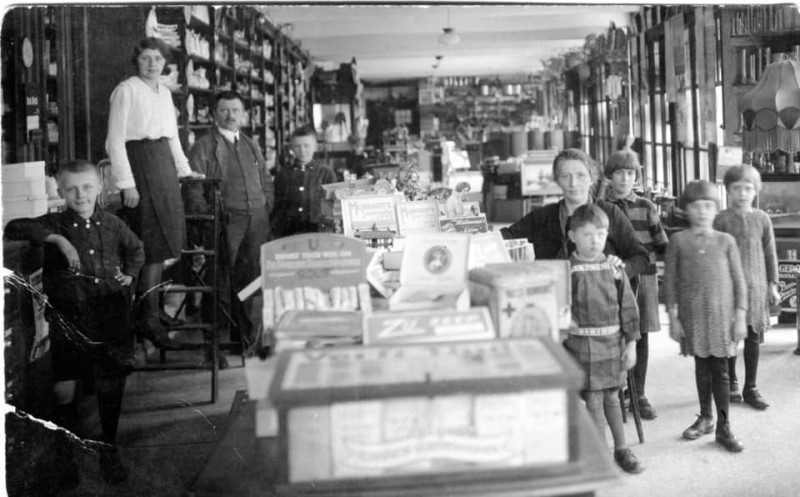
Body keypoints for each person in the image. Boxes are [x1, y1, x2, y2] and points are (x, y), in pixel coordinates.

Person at [5, 160, 145, 486]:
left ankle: (108, 451)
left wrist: (130, 275)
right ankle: (67, 456)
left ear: (99, 188)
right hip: (70, 315)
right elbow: (15, 226)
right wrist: (57, 240)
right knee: (65, 384)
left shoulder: (112, 223)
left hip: (108, 311)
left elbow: (136, 249)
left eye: (86, 188)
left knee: (110, 380)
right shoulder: (55, 222)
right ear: (60, 191)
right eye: (71, 189)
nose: (80, 195)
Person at [106, 37, 203, 348]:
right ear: (138, 60)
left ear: (165, 64)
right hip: (140, 164)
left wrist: (185, 171)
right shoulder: (127, 90)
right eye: (146, 58)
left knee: (164, 243)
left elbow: (173, 138)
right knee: (149, 244)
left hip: (162, 166)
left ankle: (157, 310)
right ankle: (146, 317)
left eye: (157, 59)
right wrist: (127, 183)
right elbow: (115, 142)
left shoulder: (164, 93)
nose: (152, 63)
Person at [187, 91, 275, 357]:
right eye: (224, 110)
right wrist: (208, 220)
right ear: (215, 114)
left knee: (249, 281)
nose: (230, 115)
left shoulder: (250, 143)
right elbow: (193, 188)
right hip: (225, 221)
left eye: (235, 110)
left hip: (255, 221)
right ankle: (212, 348)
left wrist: (265, 206)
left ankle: (243, 340)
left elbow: (265, 178)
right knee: (219, 282)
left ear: (243, 114)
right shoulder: (203, 146)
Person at [665, 180, 747, 453]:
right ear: (686, 209)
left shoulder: (726, 241)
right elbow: (671, 282)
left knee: (721, 372)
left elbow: (739, 281)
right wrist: (673, 317)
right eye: (696, 206)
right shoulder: (677, 241)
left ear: (716, 209)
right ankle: (706, 417)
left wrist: (740, 315)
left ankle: (724, 427)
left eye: (708, 206)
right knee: (702, 369)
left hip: (722, 316)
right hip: (693, 316)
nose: (702, 212)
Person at [564, 204, 643, 474]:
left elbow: (629, 309)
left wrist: (631, 344)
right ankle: (601, 455)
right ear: (573, 236)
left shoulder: (614, 270)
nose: (595, 241)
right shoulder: (566, 272)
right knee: (594, 399)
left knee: (613, 397)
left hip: (612, 346)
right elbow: (558, 310)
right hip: (581, 348)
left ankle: (622, 449)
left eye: (600, 234)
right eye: (587, 235)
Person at [501, 148, 650, 279]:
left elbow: (641, 257)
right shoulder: (542, 216)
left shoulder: (610, 212)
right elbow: (505, 236)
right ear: (557, 180)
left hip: (599, 301)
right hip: (554, 298)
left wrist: (621, 270)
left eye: (581, 176)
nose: (573, 184)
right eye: (565, 176)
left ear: (592, 179)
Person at [604, 149, 669, 420]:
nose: (625, 178)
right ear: (610, 176)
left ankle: (638, 393)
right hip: (614, 280)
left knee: (640, 335)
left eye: (630, 173)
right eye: (619, 173)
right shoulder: (601, 206)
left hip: (645, 277)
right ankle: (617, 392)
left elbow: (662, 243)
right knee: (617, 335)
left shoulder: (646, 206)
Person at [713, 165, 780, 410]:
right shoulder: (720, 219)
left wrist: (773, 285)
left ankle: (750, 386)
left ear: (756, 191)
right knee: (731, 336)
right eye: (737, 188)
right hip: (727, 288)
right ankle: (730, 380)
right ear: (728, 190)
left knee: (753, 337)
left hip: (757, 286)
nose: (742, 193)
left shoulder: (762, 218)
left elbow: (770, 254)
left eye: (748, 188)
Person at [271, 125, 337, 238]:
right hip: (289, 233)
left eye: (307, 146)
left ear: (315, 147)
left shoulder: (326, 174)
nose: (302, 150)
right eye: (297, 146)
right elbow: (277, 208)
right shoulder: (283, 175)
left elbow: (331, 207)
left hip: (318, 232)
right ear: (291, 149)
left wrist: (327, 232)